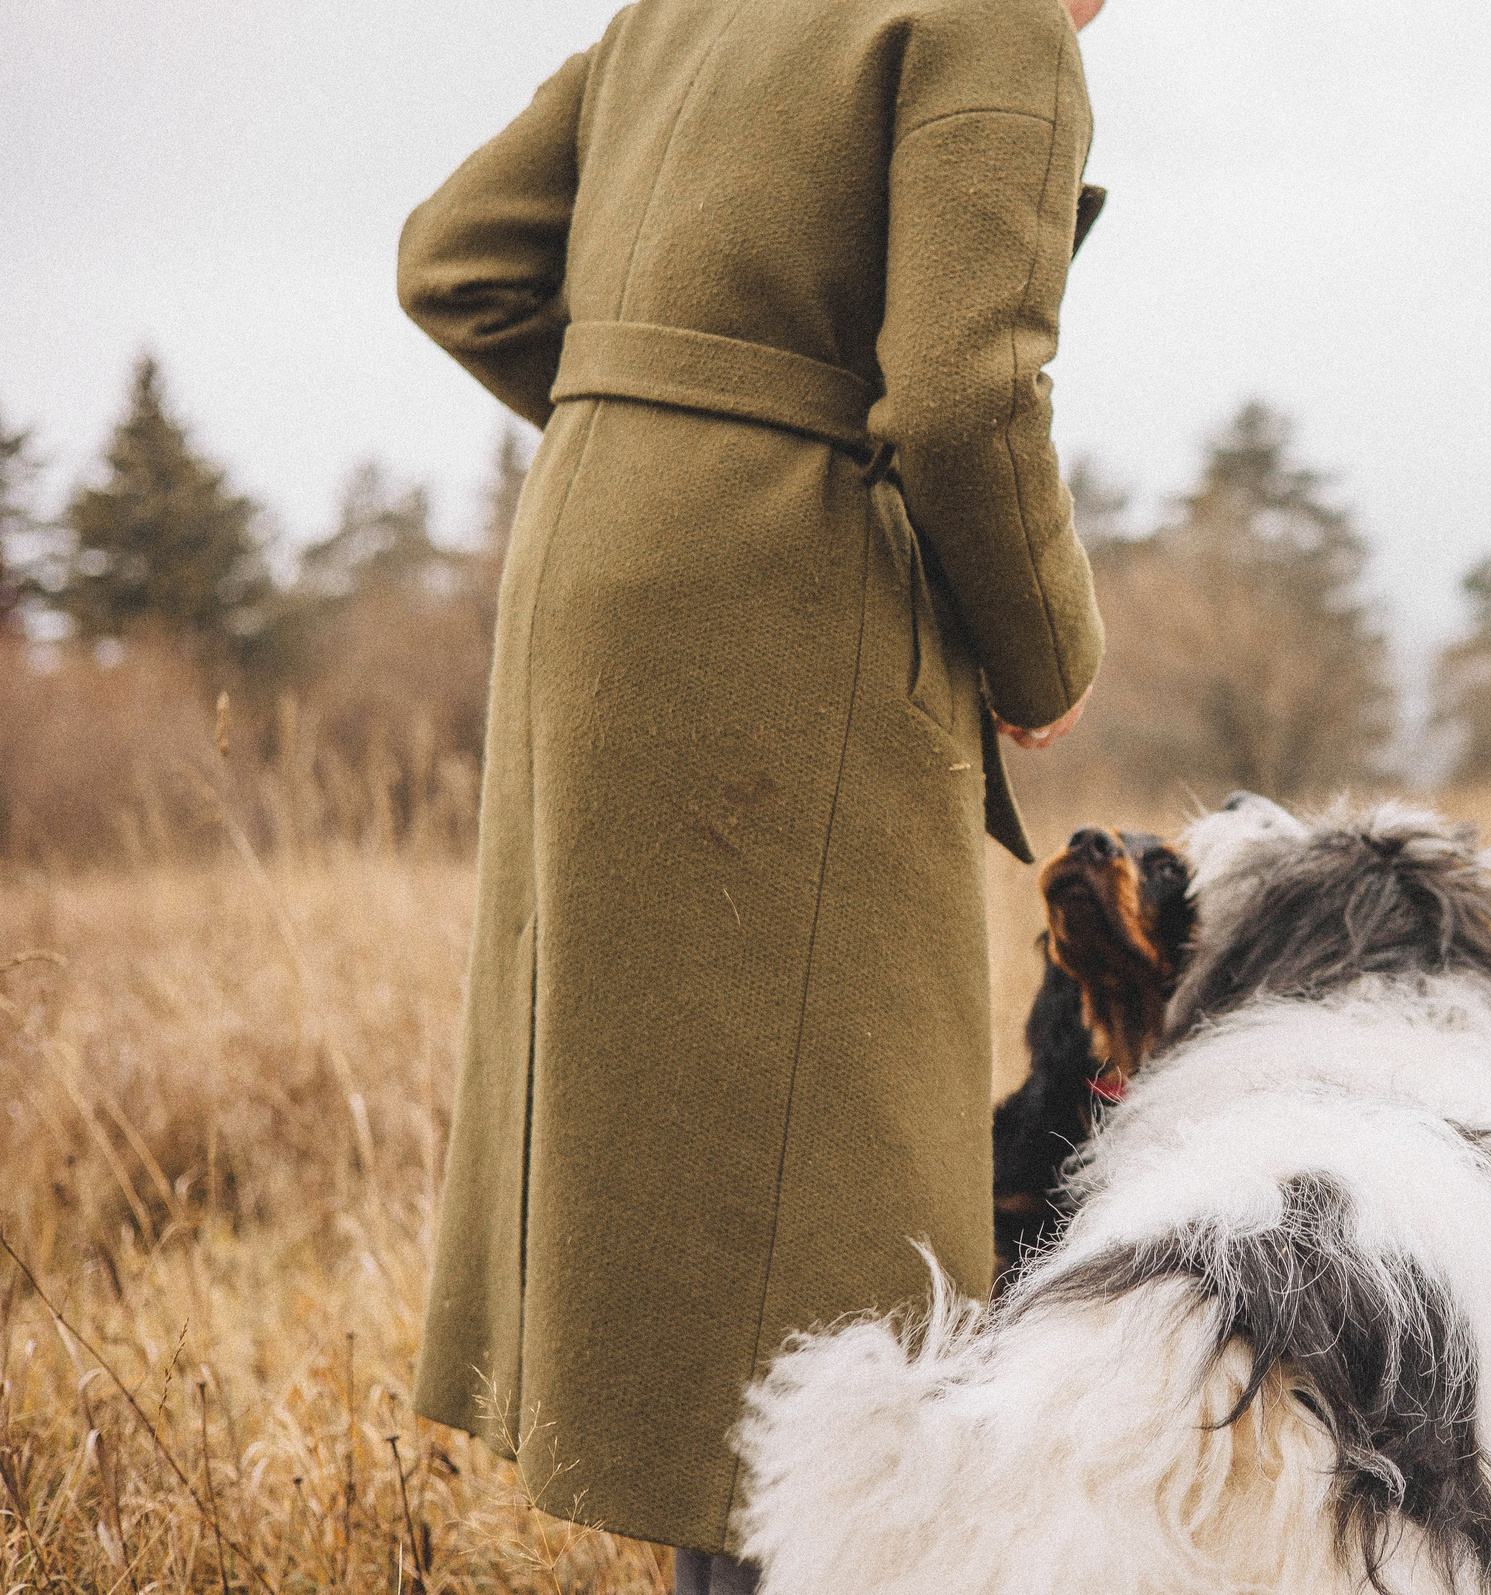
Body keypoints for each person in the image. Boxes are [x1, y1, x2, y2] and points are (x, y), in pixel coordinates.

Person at [393, 0, 1110, 1587]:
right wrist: (1047, 656)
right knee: (848, 1213)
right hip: (787, 617)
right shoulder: (995, 24)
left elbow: (455, 261)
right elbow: (962, 390)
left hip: (592, 580)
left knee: (701, 1172)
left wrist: (663, 423)